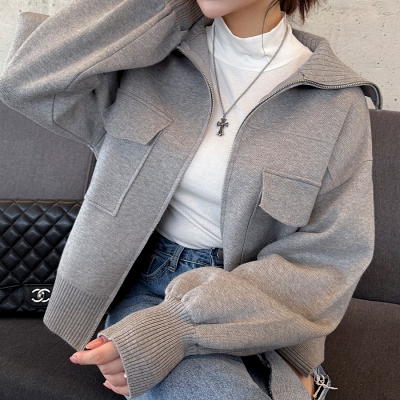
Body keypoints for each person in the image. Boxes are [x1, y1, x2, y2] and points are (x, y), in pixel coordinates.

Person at [0, 0, 381, 399]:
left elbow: (331, 255)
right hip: (143, 283)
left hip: (257, 301)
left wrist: (178, 326)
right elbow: (25, 79)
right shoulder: (147, 57)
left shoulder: (335, 104)